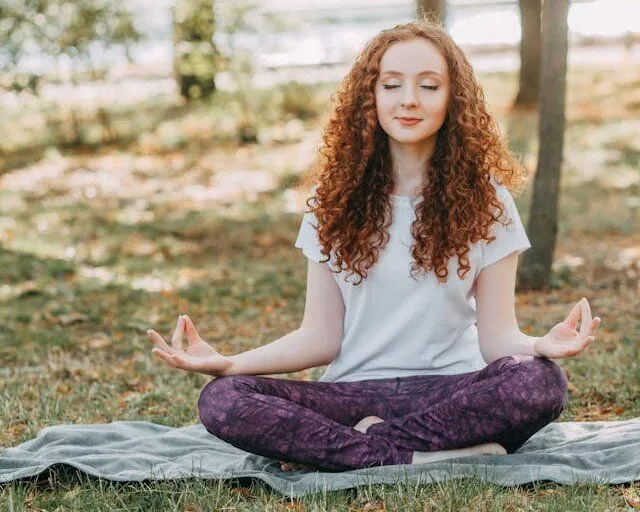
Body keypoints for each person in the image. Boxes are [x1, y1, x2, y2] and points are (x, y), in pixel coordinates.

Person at [147, 19, 601, 472]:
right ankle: (430, 455)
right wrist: (229, 364)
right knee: (223, 400)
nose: (408, 99)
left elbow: (498, 338)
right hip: (351, 394)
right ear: (371, 97)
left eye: (428, 85)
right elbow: (319, 338)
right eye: (391, 85)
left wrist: (541, 344)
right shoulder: (333, 202)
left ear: (452, 100)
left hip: (453, 393)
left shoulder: (489, 201)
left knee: (539, 382)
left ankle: (364, 449)